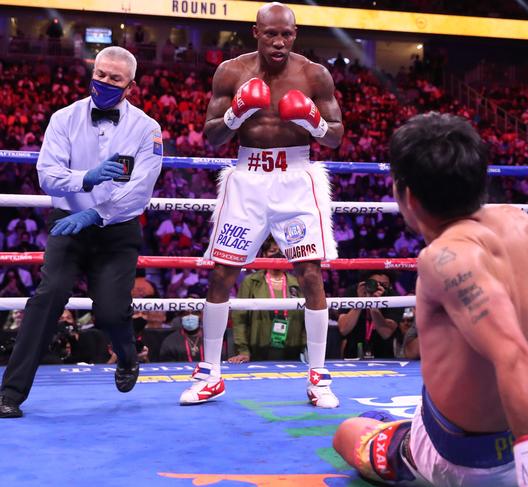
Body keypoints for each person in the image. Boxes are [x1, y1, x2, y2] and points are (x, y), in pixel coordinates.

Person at [333, 113, 528, 486]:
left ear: (408, 196)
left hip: (465, 462)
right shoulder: (516, 221)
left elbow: (513, 357)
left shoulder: (443, 259)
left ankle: (404, 442)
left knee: (349, 433)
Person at [179, 2, 343, 408]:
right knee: (221, 274)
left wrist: (311, 120)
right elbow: (212, 137)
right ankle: (210, 374)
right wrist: (237, 112)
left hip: (297, 178)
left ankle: (319, 378)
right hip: (247, 175)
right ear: (256, 32)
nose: (279, 42)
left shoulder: (313, 74)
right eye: (271, 34)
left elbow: (336, 137)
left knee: (309, 274)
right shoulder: (231, 72)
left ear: (295, 34)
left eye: (286, 34)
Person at [0, 46, 163, 418]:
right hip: (68, 224)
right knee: (48, 298)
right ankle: (9, 394)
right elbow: (47, 175)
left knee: (109, 312)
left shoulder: (147, 129)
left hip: (117, 231)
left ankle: (126, 357)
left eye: (115, 79)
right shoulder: (64, 118)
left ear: (130, 87)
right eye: (101, 74)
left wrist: (98, 213)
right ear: (93, 72)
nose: (105, 82)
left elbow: (141, 187)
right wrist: (84, 178)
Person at [228, 237, 306, 363]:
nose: (277, 254)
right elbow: (239, 319)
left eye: (281, 251)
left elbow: (306, 320)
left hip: (293, 351)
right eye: (272, 250)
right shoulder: (251, 282)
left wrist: (306, 348)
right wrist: (243, 351)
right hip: (257, 351)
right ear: (263, 254)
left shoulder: (297, 284)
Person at [337, 271, 403, 359]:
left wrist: (373, 304)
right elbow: (343, 329)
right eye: (374, 283)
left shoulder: (393, 297)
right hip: (353, 354)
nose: (378, 287)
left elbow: (386, 333)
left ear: (390, 286)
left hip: (383, 356)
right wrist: (360, 302)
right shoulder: (353, 292)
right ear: (365, 283)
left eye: (384, 285)